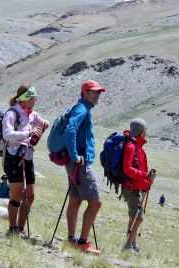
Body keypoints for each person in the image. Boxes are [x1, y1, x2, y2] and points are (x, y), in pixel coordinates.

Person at [63, 80, 105, 254]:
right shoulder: (82, 109)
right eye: (94, 92)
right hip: (79, 163)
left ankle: (72, 240)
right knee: (95, 202)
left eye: (98, 92)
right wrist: (75, 156)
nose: (97, 96)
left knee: (75, 200)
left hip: (75, 163)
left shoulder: (81, 108)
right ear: (86, 92)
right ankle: (82, 242)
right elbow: (70, 130)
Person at [2, 85, 49, 237]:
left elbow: (44, 123)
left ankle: (21, 229)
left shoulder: (31, 113)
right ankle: (12, 228)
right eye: (33, 98)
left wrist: (40, 130)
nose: (35, 100)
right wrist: (29, 133)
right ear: (25, 98)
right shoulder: (12, 112)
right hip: (13, 157)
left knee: (30, 195)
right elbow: (7, 134)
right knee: (17, 194)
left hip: (27, 157)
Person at [121, 119, 155, 252]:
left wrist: (146, 181)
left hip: (137, 187)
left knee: (134, 216)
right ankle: (128, 246)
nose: (146, 133)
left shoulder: (138, 147)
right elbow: (127, 169)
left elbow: (139, 169)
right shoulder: (131, 147)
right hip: (131, 187)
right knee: (138, 217)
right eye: (145, 130)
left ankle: (132, 243)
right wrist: (145, 176)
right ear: (141, 131)